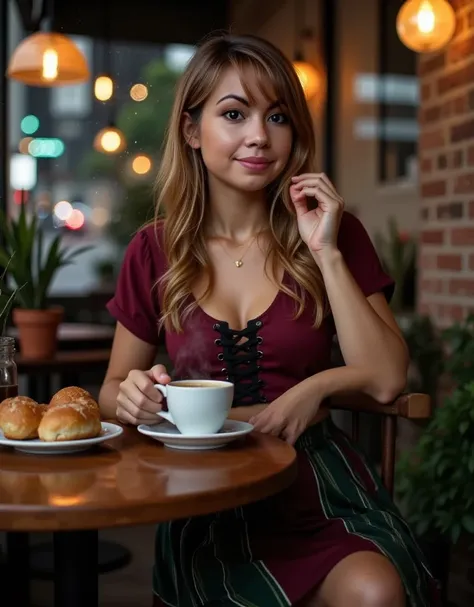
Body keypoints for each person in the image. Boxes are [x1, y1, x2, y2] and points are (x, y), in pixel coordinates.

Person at [100, 33, 439, 607]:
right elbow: (111, 392)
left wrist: (325, 256)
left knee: (375, 590)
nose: (259, 135)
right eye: (234, 114)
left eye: (277, 116)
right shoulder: (154, 249)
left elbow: (386, 378)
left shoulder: (337, 233)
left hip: (316, 485)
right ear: (191, 130)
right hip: (204, 489)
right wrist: (131, 398)